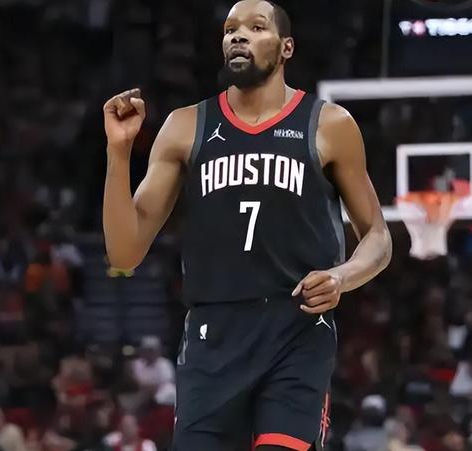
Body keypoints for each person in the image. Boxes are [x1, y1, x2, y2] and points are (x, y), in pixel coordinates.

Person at [102, 1, 392, 449]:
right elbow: (124, 253)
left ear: (286, 47)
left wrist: (342, 276)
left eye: (257, 27)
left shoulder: (329, 125)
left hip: (296, 328)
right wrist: (119, 152)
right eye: (230, 29)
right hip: (212, 335)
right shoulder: (186, 126)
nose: (238, 36)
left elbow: (378, 236)